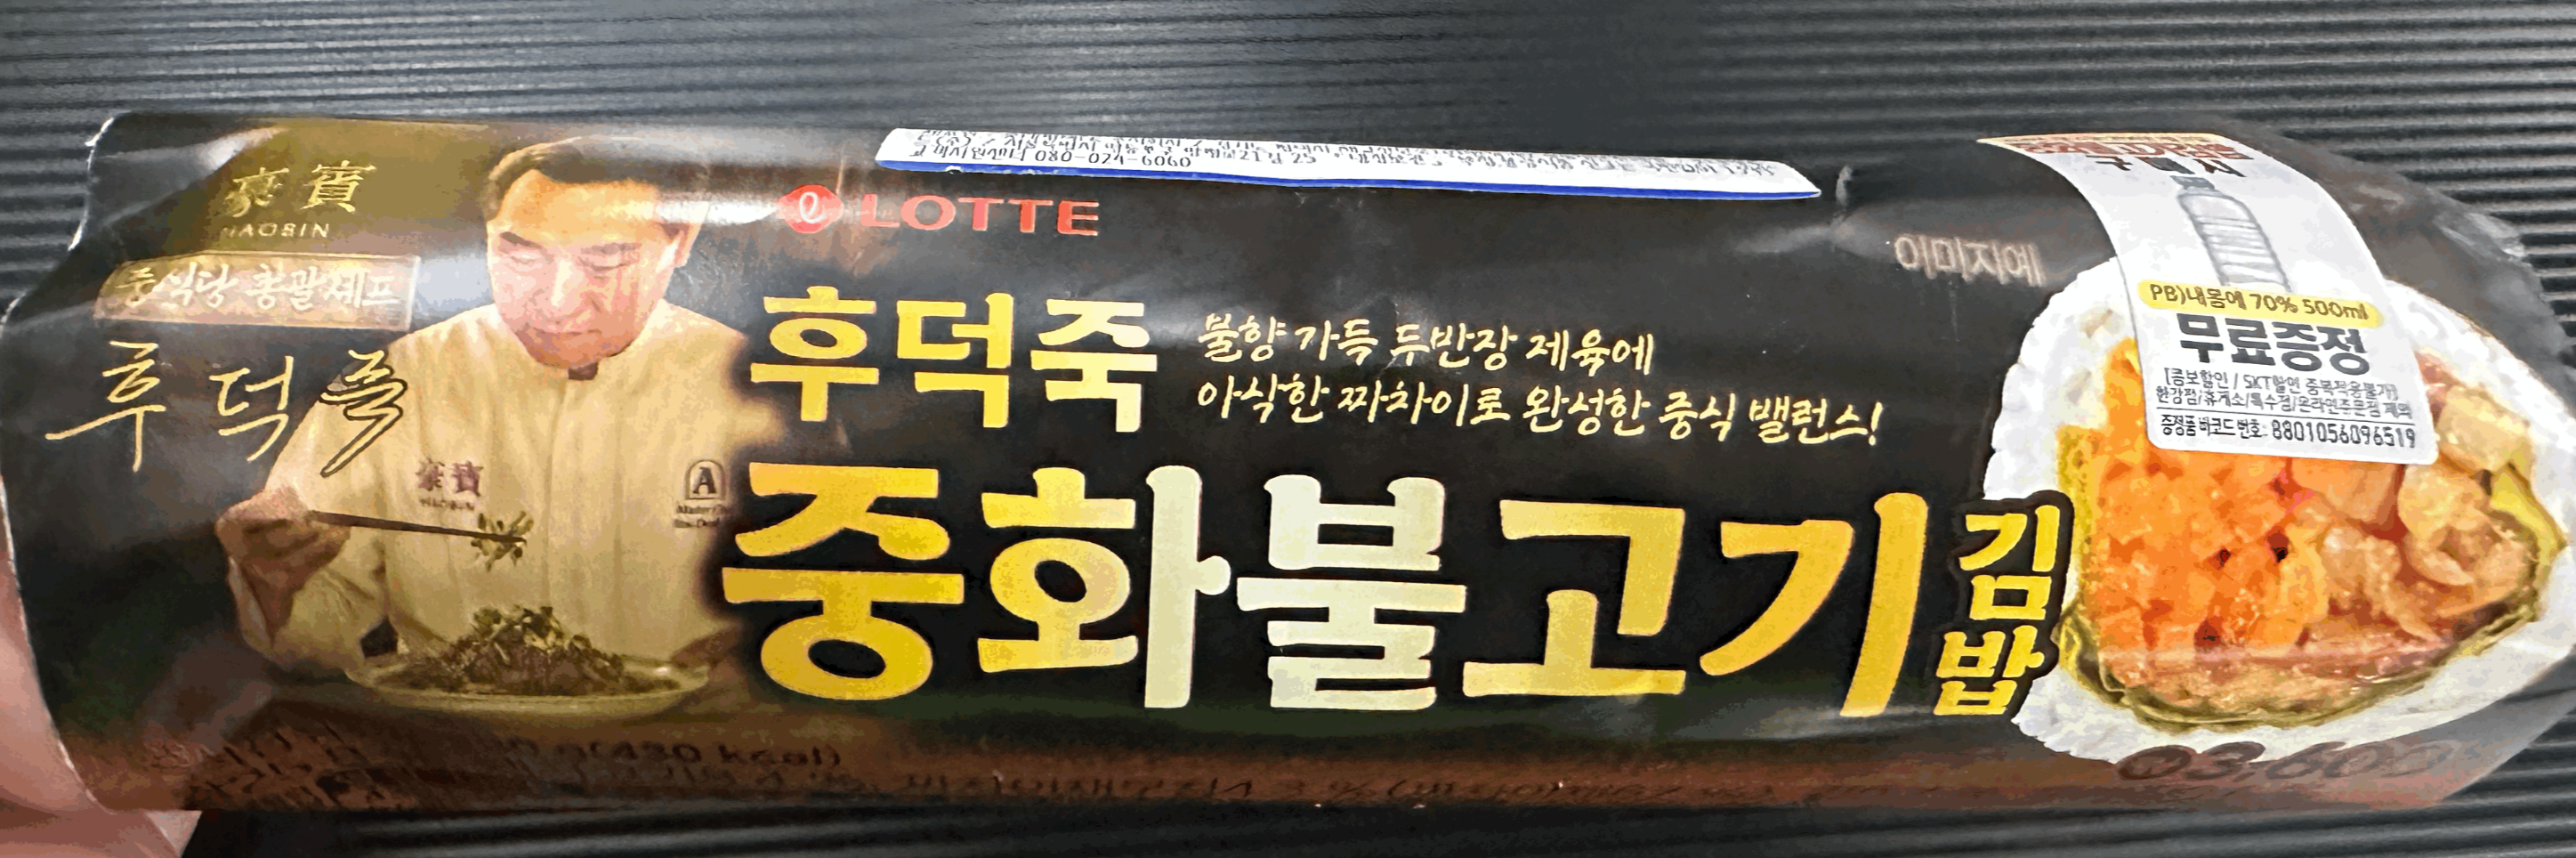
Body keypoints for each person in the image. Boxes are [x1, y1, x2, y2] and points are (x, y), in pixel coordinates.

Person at [214, 136, 783, 675]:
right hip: (457, 726)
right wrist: (273, 585)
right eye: (522, 254)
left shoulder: (762, 388)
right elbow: (317, 625)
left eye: (605, 259)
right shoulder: (399, 379)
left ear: (681, 241)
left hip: (694, 727)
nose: (557, 303)